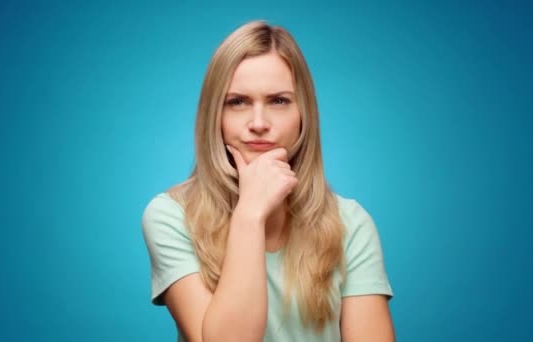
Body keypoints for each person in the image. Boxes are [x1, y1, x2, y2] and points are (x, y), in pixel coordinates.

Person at [142, 20, 395, 342]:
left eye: (278, 101)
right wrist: (250, 214)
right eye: (237, 102)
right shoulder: (171, 215)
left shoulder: (350, 223)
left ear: (304, 113)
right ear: (213, 116)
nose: (258, 123)